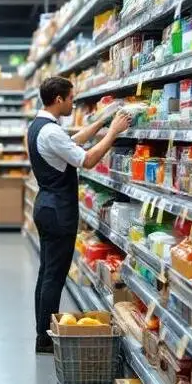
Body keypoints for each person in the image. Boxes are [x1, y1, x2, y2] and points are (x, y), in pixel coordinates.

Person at [29, 76, 131, 354]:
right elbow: (86, 159)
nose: (73, 104)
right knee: (54, 276)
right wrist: (113, 133)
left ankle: (42, 332)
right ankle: (45, 338)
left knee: (46, 273)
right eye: (72, 99)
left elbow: (70, 143)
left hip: (46, 206)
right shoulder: (50, 131)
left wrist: (100, 123)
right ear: (59, 99)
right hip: (58, 211)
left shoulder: (41, 127)